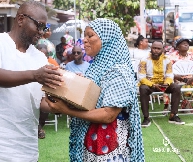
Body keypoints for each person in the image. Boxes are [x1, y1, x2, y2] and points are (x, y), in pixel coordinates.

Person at [0, 1, 63, 161]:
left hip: (25, 147)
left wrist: (60, 105)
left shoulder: (40, 57)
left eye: (44, 28)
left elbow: (40, 101)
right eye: (39, 25)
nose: (41, 32)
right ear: (20, 19)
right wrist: (35, 75)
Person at [46, 18, 144, 161]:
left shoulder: (118, 72)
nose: (84, 40)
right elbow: (89, 101)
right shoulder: (96, 67)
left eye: (90, 35)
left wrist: (66, 110)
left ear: (107, 39)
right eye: (84, 35)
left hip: (111, 150)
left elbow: (108, 114)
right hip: (94, 145)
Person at [138, 41, 184, 127]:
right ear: (151, 49)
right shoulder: (144, 60)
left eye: (158, 49)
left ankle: (173, 116)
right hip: (150, 84)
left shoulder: (167, 60)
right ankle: (146, 118)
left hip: (163, 84)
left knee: (176, 87)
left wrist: (166, 83)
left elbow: (170, 75)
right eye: (154, 48)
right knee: (143, 88)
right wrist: (152, 84)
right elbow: (141, 77)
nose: (156, 50)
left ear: (162, 50)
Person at [36, 44, 59, 139]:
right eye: (40, 54)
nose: (42, 57)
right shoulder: (30, 64)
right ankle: (38, 128)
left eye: (44, 55)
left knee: (44, 110)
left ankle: (40, 126)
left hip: (45, 91)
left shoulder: (51, 63)